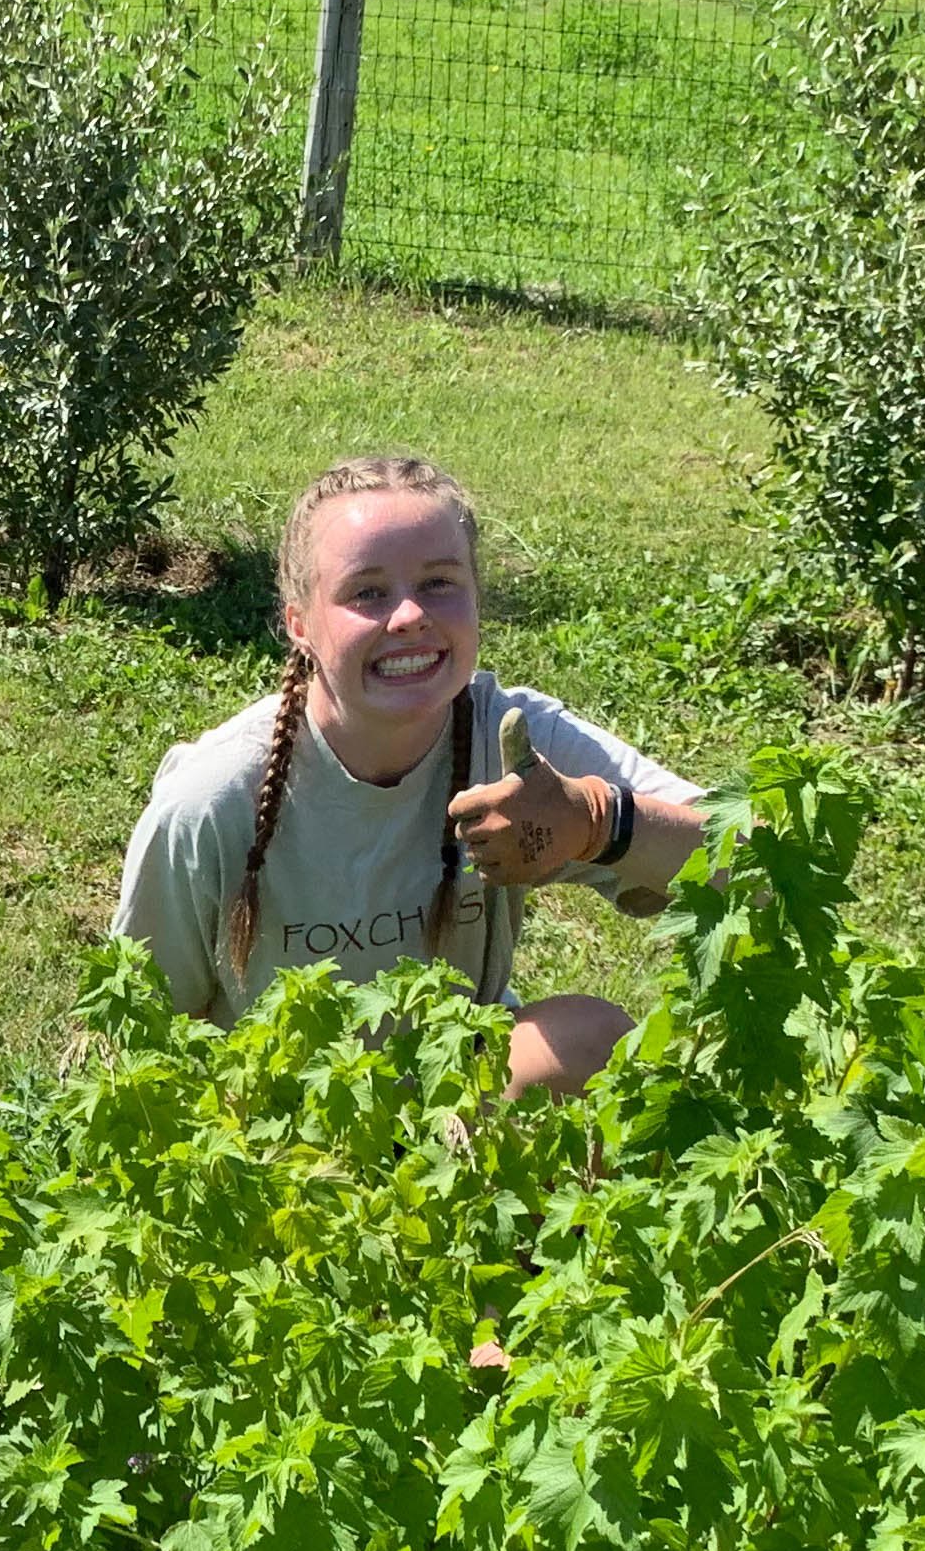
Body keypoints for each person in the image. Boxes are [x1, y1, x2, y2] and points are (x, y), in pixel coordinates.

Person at [110, 454, 708, 1093]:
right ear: (299, 624)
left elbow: (759, 868)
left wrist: (598, 820)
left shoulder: (511, 744)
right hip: (278, 1144)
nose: (409, 616)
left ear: (477, 596)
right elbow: (136, 1031)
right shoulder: (212, 799)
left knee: (587, 1041)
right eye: (367, 592)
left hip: (459, 1109)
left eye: (439, 582)